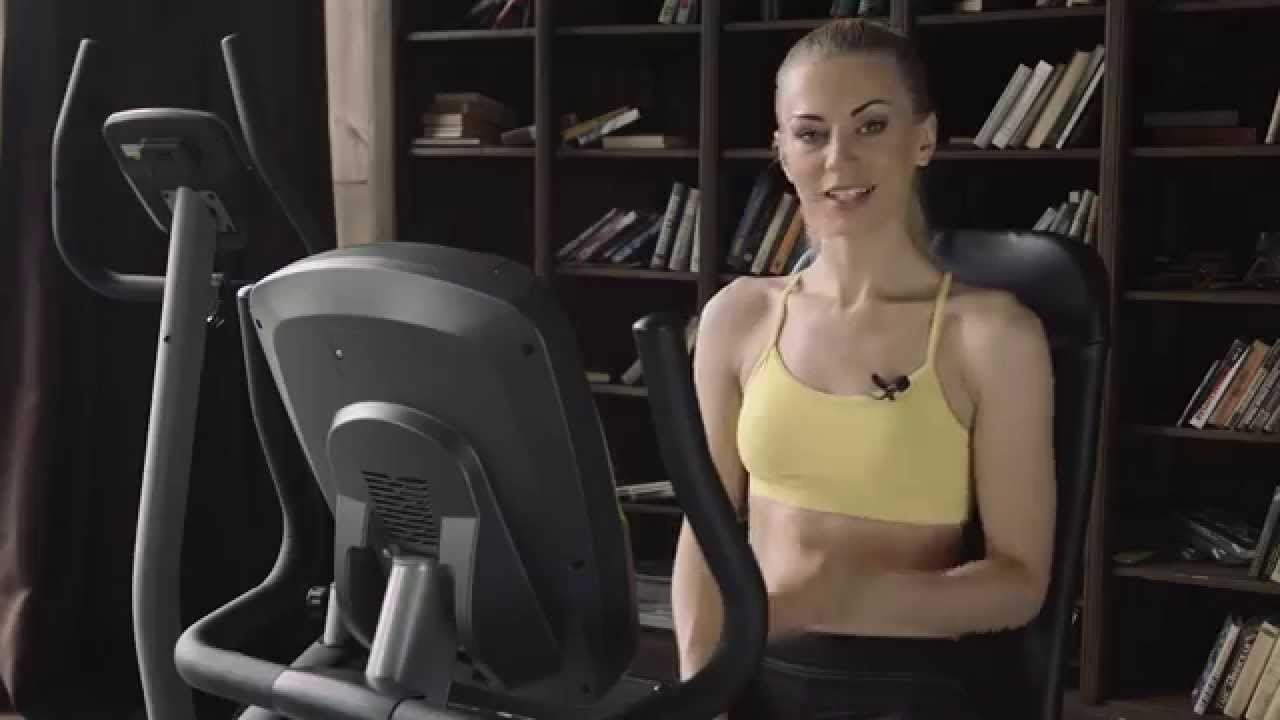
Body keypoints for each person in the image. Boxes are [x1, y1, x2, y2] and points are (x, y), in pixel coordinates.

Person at [675, 18, 1057, 720]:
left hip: (906, 690)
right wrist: (700, 691)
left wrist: (842, 598)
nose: (839, 159)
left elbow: (1020, 583)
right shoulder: (738, 316)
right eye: (811, 133)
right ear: (782, 152)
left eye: (871, 126)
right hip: (753, 674)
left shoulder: (993, 335)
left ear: (924, 139)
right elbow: (704, 529)